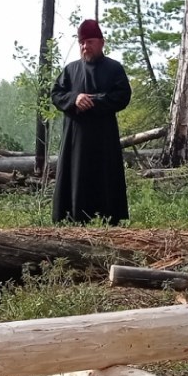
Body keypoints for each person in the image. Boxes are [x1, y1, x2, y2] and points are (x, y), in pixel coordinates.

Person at [50, 18, 132, 225]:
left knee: (104, 179)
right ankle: (73, 220)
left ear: (102, 42)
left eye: (90, 42)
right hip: (75, 140)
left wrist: (95, 101)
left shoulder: (114, 69)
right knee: (75, 177)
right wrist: (74, 99)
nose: (86, 47)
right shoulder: (70, 70)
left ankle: (107, 223)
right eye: (82, 43)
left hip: (104, 138)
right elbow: (56, 94)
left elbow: (123, 96)